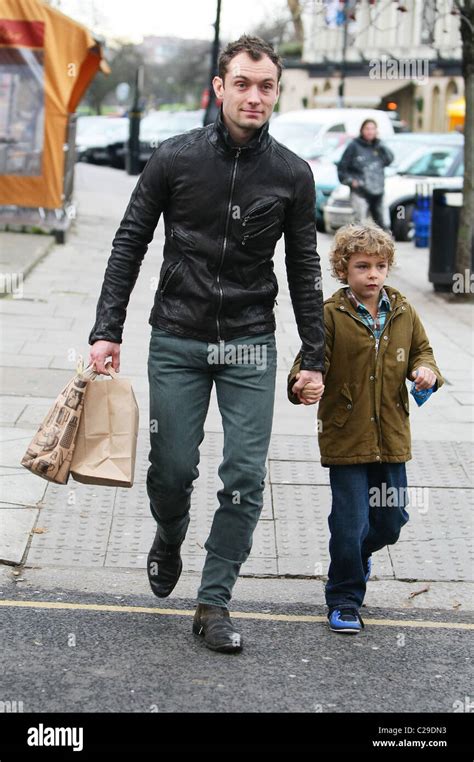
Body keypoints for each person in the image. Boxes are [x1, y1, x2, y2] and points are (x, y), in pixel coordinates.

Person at [88, 35, 325, 653]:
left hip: (251, 342)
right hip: (178, 338)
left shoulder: (293, 174)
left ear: (277, 91)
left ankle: (214, 601)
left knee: (244, 475)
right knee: (171, 470)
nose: (254, 95)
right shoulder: (174, 158)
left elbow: (304, 268)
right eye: (242, 84)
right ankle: (169, 536)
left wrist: (314, 356)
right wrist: (106, 328)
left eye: (265, 85)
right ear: (219, 88)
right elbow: (128, 244)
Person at [287, 223, 443, 634]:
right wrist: (303, 384)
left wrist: (426, 371)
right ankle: (344, 598)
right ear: (344, 269)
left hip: (391, 437)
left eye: (380, 265)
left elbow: (422, 352)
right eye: (362, 266)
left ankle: (355, 557)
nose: (372, 274)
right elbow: (305, 363)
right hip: (346, 437)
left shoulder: (404, 310)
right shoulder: (329, 315)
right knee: (349, 522)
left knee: (392, 521)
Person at [337, 119, 394, 230]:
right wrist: (351, 181)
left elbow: (390, 159)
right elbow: (342, 169)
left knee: (383, 226)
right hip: (360, 192)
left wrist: (380, 144)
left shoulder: (379, 146)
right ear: (362, 130)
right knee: (360, 227)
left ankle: (383, 247)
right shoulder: (354, 146)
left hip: (378, 192)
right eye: (367, 129)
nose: (370, 132)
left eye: (373, 129)